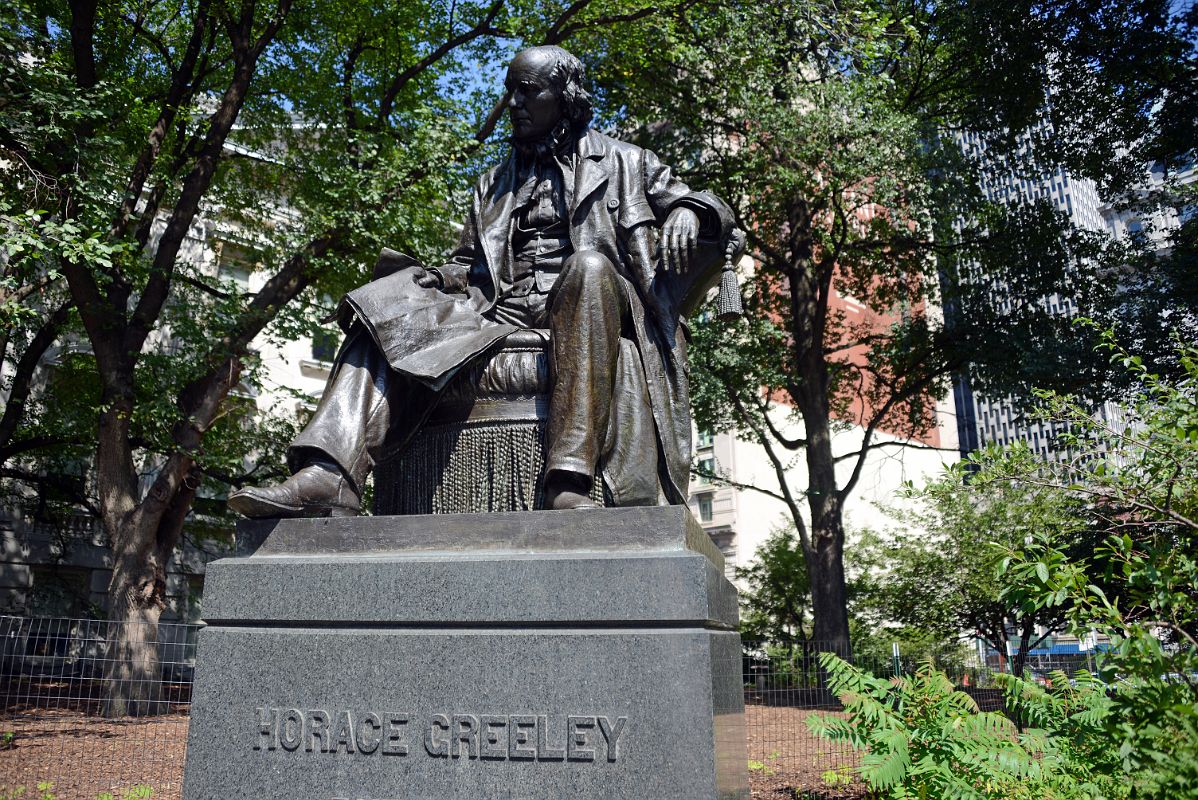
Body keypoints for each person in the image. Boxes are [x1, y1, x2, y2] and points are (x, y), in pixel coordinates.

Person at [228, 45, 736, 519]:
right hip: (501, 310)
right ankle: (329, 472)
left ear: (565, 98)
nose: (512, 102)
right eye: (509, 89)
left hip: (594, 301)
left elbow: (711, 210)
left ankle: (568, 480)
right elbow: (469, 266)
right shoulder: (492, 182)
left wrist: (693, 213)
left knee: (589, 265)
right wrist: (425, 280)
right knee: (382, 304)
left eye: (527, 91)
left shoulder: (628, 161)